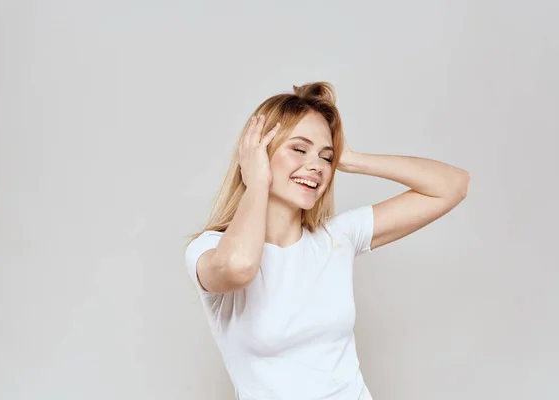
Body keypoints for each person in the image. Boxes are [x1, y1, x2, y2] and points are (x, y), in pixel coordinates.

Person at [185, 82, 470, 400]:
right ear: (258, 154)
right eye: (299, 148)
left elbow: (452, 186)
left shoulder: (338, 237)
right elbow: (240, 266)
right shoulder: (209, 249)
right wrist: (256, 183)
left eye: (325, 156)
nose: (316, 166)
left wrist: (350, 159)